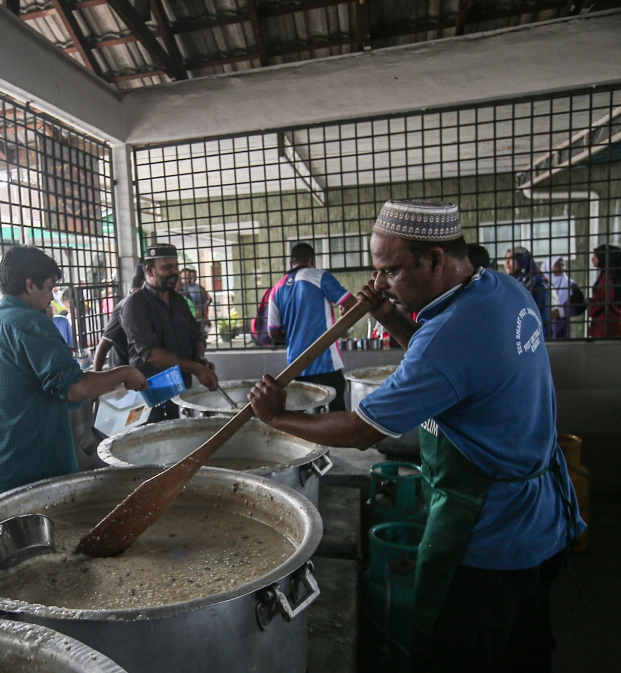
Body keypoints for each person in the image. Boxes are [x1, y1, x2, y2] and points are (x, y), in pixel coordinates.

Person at [247, 200, 583, 672]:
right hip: (545, 519)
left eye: (391, 270)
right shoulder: (502, 289)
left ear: (435, 260)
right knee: (524, 650)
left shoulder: (447, 335)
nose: (380, 282)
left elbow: (362, 428)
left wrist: (277, 419)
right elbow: (455, 365)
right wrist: (388, 314)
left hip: (491, 537)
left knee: (459, 655)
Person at [0, 245, 146, 498]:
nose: (52, 299)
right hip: (32, 472)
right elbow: (77, 389)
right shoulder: (30, 322)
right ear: (30, 285)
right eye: (50, 288)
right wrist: (124, 373)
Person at [121, 244, 219, 423]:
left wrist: (198, 359)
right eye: (167, 267)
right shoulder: (135, 305)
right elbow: (150, 353)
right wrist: (196, 369)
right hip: (150, 396)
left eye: (176, 266)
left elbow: (196, 336)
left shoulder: (180, 302)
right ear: (150, 271)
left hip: (181, 391)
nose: (175, 272)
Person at [267, 242, 357, 412]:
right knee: (335, 419)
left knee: (306, 421)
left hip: (296, 367)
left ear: (291, 263)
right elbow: (352, 305)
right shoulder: (319, 276)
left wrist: (297, 337)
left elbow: (273, 332)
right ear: (312, 261)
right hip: (326, 365)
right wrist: (343, 327)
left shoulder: (276, 289)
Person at [94, 266, 144, 372]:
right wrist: (96, 377)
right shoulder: (125, 306)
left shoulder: (142, 305)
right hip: (122, 373)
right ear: (143, 283)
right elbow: (103, 345)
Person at [504, 246, 553, 338]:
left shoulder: (536, 284)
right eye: (505, 258)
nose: (506, 262)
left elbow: (543, 316)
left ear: (522, 260)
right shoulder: (510, 282)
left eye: (511, 258)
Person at [541, 255, 583, 339]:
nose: (560, 268)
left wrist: (560, 311)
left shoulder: (570, 284)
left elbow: (580, 306)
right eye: (556, 265)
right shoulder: (540, 284)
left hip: (560, 331)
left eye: (562, 264)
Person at [589, 243, 621, 338]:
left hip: (606, 322)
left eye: (595, 256)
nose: (592, 259)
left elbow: (603, 296)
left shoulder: (607, 276)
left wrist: (590, 305)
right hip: (616, 319)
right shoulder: (615, 274)